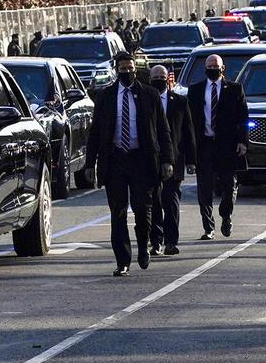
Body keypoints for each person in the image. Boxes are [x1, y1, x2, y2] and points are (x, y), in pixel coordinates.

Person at [84, 51, 173, 276]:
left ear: (136, 69)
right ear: (117, 70)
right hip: (115, 160)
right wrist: (89, 164)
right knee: (118, 212)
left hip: (142, 160)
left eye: (130, 68)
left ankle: (144, 246)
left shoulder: (150, 95)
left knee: (143, 210)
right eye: (123, 69)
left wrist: (167, 160)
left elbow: (163, 130)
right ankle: (122, 260)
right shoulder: (105, 96)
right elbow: (95, 133)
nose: (127, 72)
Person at [187, 54, 248, 240]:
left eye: (215, 65)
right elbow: (189, 122)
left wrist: (242, 141)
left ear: (222, 68)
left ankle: (226, 214)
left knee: (230, 185)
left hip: (227, 146)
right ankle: (208, 227)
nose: (212, 68)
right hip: (204, 144)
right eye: (209, 65)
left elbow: (243, 117)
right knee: (204, 188)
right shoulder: (196, 90)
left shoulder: (235, 89)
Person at [147, 65, 196, 257]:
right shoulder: (145, 100)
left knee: (171, 201)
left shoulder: (180, 102)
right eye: (155, 76)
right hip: (151, 161)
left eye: (162, 76)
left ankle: (171, 241)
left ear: (169, 79)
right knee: (153, 203)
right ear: (150, 79)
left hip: (174, 160)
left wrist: (191, 160)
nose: (159, 79)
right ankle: (156, 242)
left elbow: (188, 132)